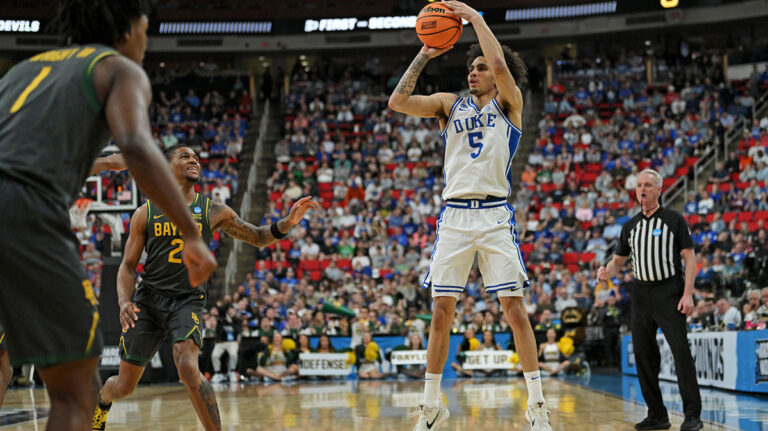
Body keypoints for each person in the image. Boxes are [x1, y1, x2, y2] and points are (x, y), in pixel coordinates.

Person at [0, 2, 217, 430]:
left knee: (3, 354)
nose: (146, 40)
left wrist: (99, 164)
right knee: (77, 385)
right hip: (25, 210)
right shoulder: (118, 68)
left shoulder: (24, 71)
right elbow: (137, 147)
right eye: (145, 29)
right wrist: (191, 233)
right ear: (127, 29)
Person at [388, 2, 550, 429]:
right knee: (441, 311)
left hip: (495, 215)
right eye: (470, 67)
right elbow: (398, 101)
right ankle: (430, 404)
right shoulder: (449, 104)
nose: (473, 72)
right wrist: (426, 51)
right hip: (455, 217)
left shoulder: (510, 104)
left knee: (514, 309)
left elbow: (498, 62)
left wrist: (475, 18)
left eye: (480, 68)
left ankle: (537, 406)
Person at [91, 145, 318, 430]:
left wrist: (288, 222)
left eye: (196, 157)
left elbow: (259, 237)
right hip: (148, 301)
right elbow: (127, 266)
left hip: (187, 300)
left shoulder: (213, 211)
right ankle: (101, 403)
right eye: (185, 156)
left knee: (187, 366)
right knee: (124, 387)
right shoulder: (145, 213)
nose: (193, 160)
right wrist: (125, 302)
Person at [598, 169, 702, 431]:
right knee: (644, 357)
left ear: (659, 190)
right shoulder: (630, 226)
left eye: (648, 185)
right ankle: (657, 414)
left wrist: (688, 294)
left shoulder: (673, 220)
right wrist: (606, 271)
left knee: (680, 353)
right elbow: (619, 260)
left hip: (669, 292)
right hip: (641, 294)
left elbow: (689, 258)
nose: (642, 189)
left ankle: (692, 415)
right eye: (639, 185)